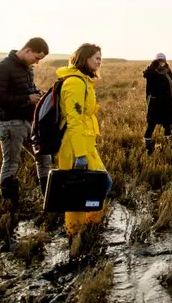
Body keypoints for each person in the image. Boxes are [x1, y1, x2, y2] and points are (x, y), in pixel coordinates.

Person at [0, 37, 52, 209]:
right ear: (28, 50)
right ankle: (11, 208)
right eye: (36, 58)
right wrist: (27, 99)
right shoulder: (2, 67)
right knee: (11, 164)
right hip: (10, 125)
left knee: (44, 158)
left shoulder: (27, 68)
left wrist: (38, 93)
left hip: (29, 124)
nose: (37, 62)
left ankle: (49, 203)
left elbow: (27, 90)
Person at [57, 43, 110, 236]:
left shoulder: (84, 81)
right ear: (85, 58)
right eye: (96, 58)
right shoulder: (75, 83)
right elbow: (74, 121)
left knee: (99, 184)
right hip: (74, 146)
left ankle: (90, 227)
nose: (99, 61)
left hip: (86, 143)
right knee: (77, 194)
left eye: (100, 58)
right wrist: (80, 155)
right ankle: (75, 235)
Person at [143, 52, 172, 155]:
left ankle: (168, 143)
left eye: (162, 60)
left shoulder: (169, 72)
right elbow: (146, 74)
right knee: (151, 125)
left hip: (167, 104)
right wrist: (153, 65)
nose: (161, 62)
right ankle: (148, 146)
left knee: (167, 125)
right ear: (155, 61)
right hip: (155, 104)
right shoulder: (152, 73)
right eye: (159, 60)